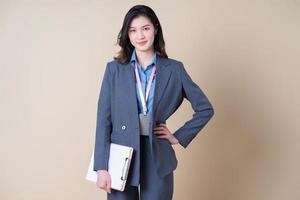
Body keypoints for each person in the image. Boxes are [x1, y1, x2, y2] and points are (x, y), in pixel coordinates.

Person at [93, 4, 214, 200]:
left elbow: (205, 109)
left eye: (145, 28)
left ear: (155, 29)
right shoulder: (113, 70)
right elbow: (103, 121)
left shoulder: (175, 69)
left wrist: (179, 136)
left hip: (157, 153)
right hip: (121, 154)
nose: (139, 36)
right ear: (127, 35)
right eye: (133, 30)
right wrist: (101, 166)